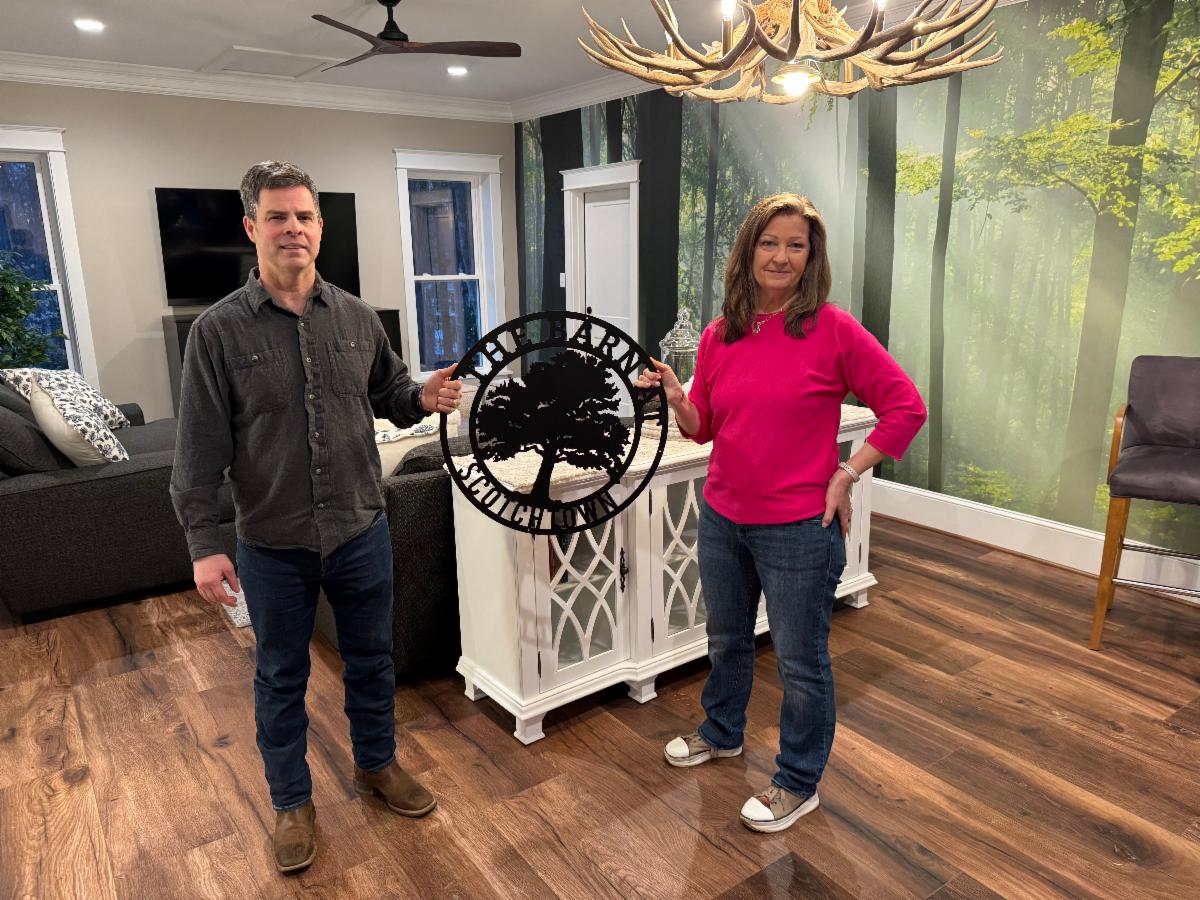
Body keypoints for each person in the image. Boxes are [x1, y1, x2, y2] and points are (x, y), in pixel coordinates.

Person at [170, 160, 462, 873]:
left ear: (320, 228)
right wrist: (205, 543)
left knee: (373, 660)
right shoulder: (216, 332)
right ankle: (291, 802)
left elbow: (390, 393)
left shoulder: (358, 318)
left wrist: (421, 398)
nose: (292, 228)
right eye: (277, 216)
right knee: (280, 678)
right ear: (252, 227)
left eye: (303, 216)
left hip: (362, 528)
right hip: (274, 543)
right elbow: (199, 449)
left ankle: (376, 764)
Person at [636, 193, 926, 833]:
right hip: (723, 516)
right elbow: (705, 428)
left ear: (811, 258)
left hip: (799, 528)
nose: (781, 256)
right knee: (726, 639)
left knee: (800, 661)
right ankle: (722, 731)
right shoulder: (721, 334)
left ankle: (798, 781)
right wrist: (679, 396)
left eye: (796, 245)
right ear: (749, 251)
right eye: (770, 242)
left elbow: (906, 407)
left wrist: (847, 474)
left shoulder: (834, 330)